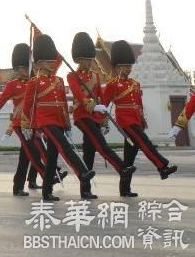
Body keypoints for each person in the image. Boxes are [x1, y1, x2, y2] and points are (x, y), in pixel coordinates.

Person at [22, 34, 94, 201]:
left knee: (52, 158)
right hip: (45, 122)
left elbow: (62, 104)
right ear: (39, 63)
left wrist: (67, 126)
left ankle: (46, 191)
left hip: (59, 121)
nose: (52, 63)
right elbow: (28, 106)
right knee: (65, 147)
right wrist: (26, 126)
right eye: (48, 61)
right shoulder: (34, 82)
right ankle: (82, 172)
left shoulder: (59, 81)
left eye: (52, 60)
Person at [102, 39, 177, 197]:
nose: (128, 69)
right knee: (146, 144)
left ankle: (125, 189)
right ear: (117, 67)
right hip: (126, 122)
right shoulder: (112, 85)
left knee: (129, 160)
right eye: (125, 66)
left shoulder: (135, 84)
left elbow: (139, 105)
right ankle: (162, 167)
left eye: (129, 66)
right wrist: (104, 123)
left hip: (136, 121)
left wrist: (142, 121)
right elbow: (103, 105)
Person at [67, 32, 134, 199]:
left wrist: (104, 120)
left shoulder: (96, 76)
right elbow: (79, 95)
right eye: (86, 60)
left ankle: (85, 190)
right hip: (82, 116)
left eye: (91, 59)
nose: (90, 63)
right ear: (78, 60)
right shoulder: (72, 76)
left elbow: (101, 100)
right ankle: (121, 167)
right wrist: (92, 105)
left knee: (89, 152)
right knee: (101, 143)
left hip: (95, 116)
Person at [0, 43, 42, 195]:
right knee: (33, 151)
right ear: (17, 69)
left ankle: (28, 182)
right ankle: (34, 180)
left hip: (34, 122)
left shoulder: (36, 83)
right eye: (23, 68)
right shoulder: (12, 85)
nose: (26, 71)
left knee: (29, 154)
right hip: (20, 123)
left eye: (28, 67)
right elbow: (0, 102)